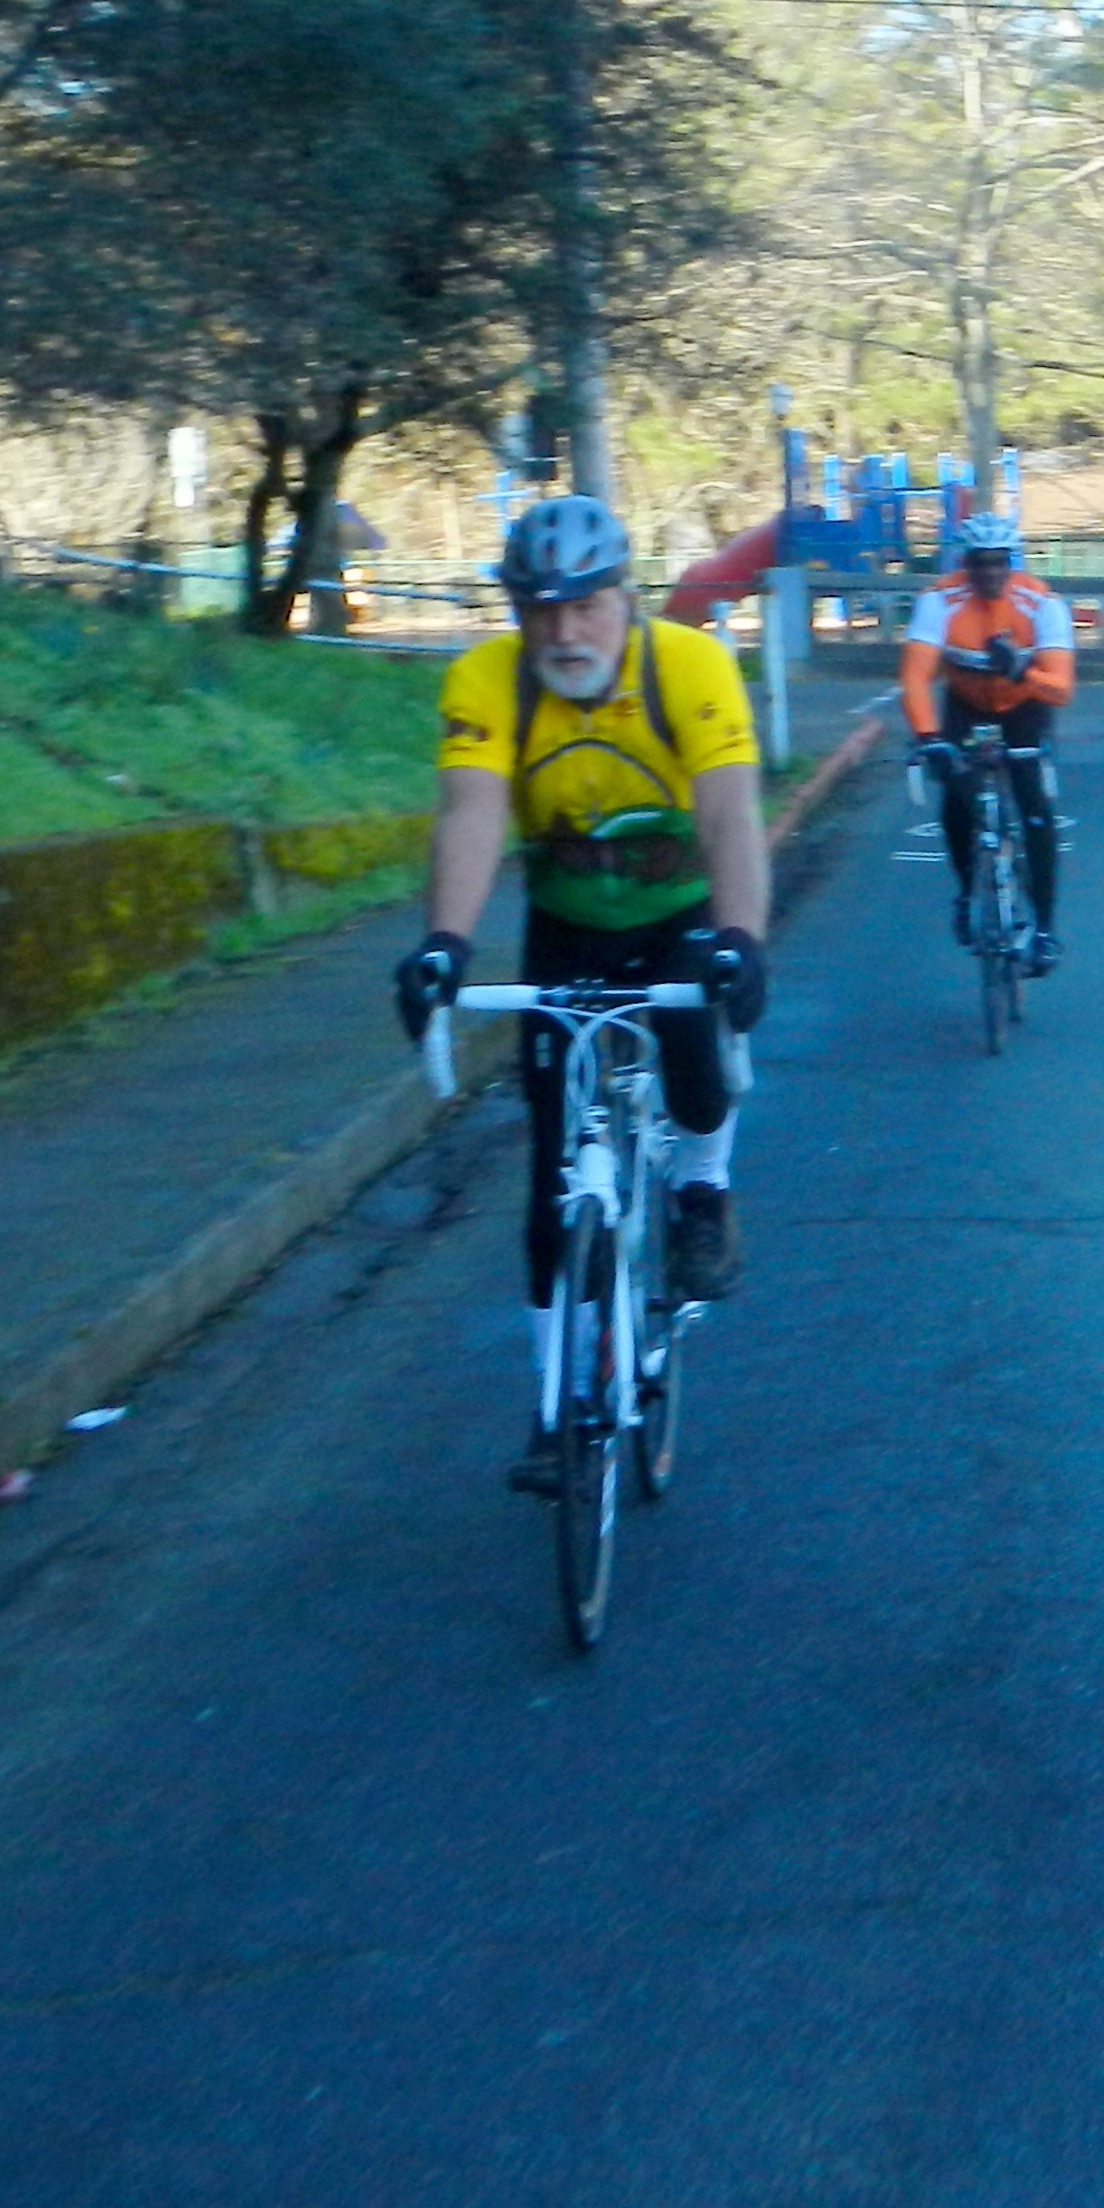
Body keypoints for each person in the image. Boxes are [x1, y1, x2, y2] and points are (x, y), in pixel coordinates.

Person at [392, 495, 773, 1494]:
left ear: (627, 598)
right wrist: (442, 945)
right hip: (563, 923)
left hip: (679, 912)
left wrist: (740, 941)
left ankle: (703, 1187)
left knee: (696, 1066)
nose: (564, 629)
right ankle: (558, 1409)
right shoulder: (489, 681)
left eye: (586, 605)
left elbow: (732, 816)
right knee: (551, 1190)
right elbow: (471, 814)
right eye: (539, 608)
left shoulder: (690, 667)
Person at [899, 512, 1076, 970]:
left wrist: (1022, 669)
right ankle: (965, 891)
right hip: (964, 705)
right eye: (980, 563)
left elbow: (1062, 688)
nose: (990, 573)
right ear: (966, 563)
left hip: (1024, 707)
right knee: (956, 800)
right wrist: (928, 737)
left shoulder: (1041, 605)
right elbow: (915, 680)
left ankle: (1045, 928)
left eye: (1000, 562)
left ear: (1011, 562)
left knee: (1035, 808)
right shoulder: (940, 601)